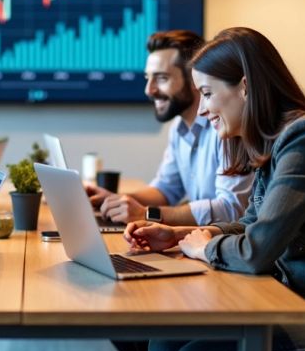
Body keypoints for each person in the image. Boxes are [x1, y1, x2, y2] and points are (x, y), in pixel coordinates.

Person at [125, 27, 305, 351]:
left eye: (207, 93)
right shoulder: (272, 140)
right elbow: (251, 223)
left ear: (244, 87)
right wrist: (179, 235)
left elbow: (256, 251)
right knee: (164, 341)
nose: (201, 108)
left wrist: (205, 249)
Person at [88, 30, 253, 226]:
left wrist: (148, 214)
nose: (149, 90)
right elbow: (166, 189)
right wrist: (116, 199)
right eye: (148, 78)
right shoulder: (178, 128)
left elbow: (231, 209)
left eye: (162, 78)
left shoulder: (226, 126)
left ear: (194, 78)